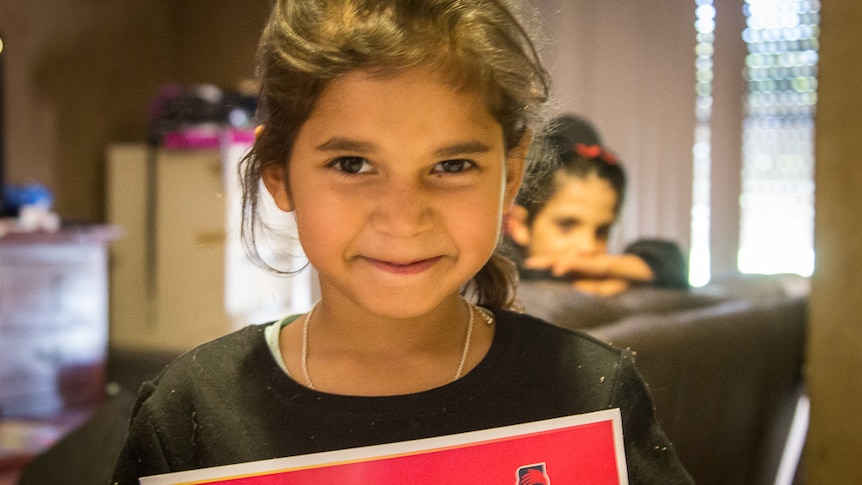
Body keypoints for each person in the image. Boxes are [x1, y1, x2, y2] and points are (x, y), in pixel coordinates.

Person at [111, 1, 693, 483]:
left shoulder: (590, 395)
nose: (404, 219)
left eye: (453, 164)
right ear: (279, 174)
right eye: (352, 163)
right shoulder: (191, 414)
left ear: (510, 175)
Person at [506, 113, 689, 296]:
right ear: (519, 223)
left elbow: (672, 262)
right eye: (567, 225)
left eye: (602, 231)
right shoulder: (500, 272)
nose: (588, 246)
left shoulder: (608, 275)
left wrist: (606, 267)